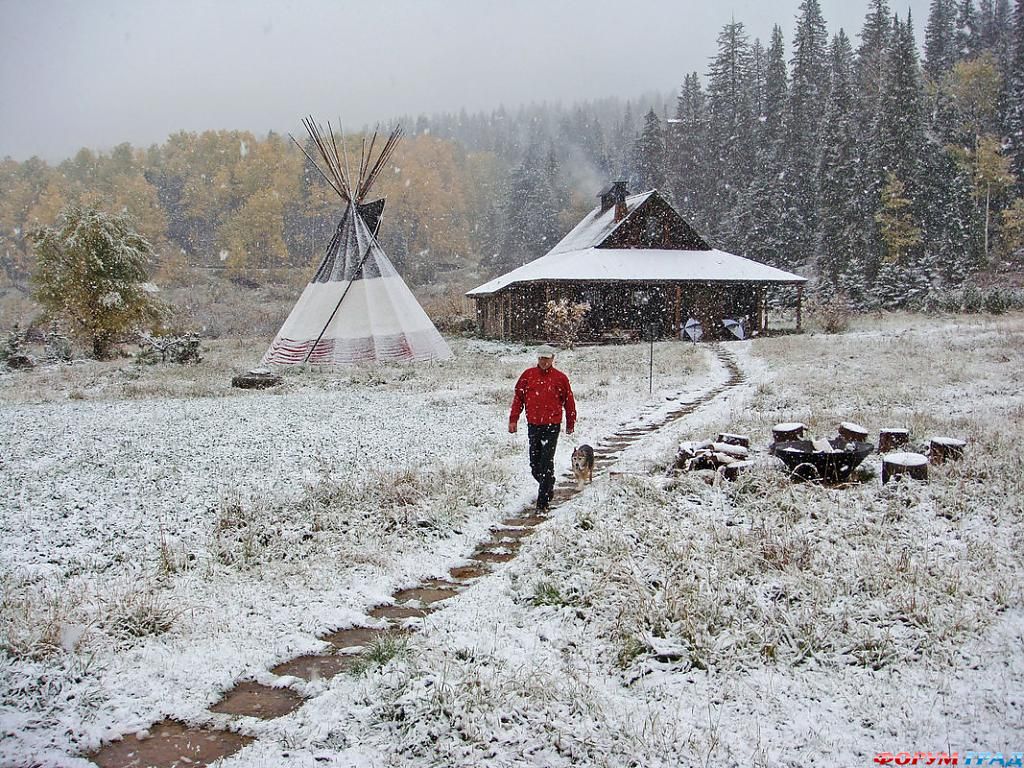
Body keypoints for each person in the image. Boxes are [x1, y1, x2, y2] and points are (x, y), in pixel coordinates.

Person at [508, 344, 577, 511]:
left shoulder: (560, 378)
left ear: (553, 359)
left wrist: (570, 422)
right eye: (541, 358)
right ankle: (548, 483)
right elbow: (519, 398)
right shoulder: (528, 376)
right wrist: (513, 419)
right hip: (534, 425)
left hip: (551, 425)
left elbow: (568, 401)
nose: (544, 362)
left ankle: (542, 502)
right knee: (535, 465)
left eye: (547, 358)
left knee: (546, 462)